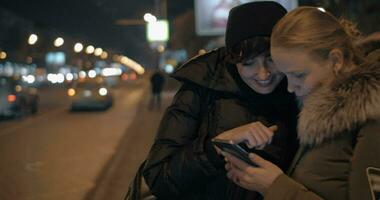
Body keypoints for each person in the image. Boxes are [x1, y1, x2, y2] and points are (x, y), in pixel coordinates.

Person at [142, 2, 299, 199]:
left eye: (271, 59)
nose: (263, 74)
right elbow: (158, 178)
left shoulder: (299, 91)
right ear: (232, 58)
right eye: (248, 63)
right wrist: (219, 145)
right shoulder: (201, 89)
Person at [221, 6, 380, 200]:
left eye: (298, 75)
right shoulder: (323, 108)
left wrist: (274, 186)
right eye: (286, 75)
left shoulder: (372, 118)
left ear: (335, 61)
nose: (290, 87)